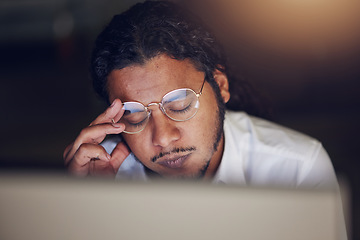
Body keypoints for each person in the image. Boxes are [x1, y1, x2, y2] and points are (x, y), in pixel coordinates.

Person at [63, 1, 338, 188]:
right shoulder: (100, 175)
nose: (163, 137)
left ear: (220, 85)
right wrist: (87, 205)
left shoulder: (297, 170)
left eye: (180, 105)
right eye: (134, 116)